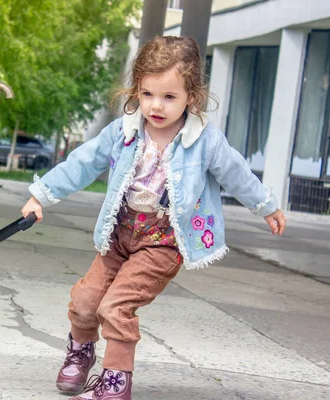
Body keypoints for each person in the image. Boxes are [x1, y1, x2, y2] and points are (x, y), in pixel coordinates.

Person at [21, 36, 286, 400]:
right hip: (120, 234)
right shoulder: (124, 131)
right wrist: (41, 195)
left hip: (163, 241)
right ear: (137, 91)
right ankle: (80, 353)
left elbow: (237, 173)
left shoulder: (204, 140)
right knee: (85, 300)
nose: (156, 106)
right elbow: (83, 162)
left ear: (191, 96)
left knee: (116, 305)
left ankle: (116, 381)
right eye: (147, 94)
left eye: (169, 97)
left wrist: (266, 205)